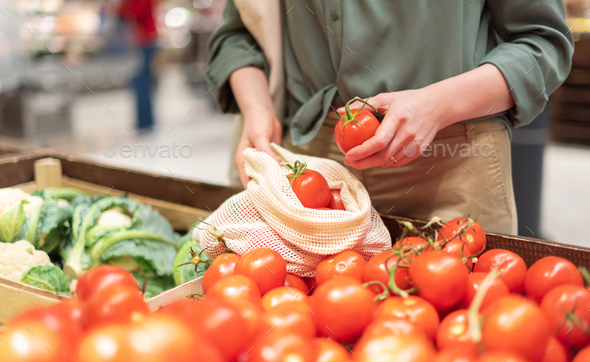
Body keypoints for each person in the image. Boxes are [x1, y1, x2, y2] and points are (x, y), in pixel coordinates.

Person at [205, 1, 574, 234]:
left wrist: (439, 104)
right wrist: (257, 108)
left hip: (450, 162)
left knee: (457, 334)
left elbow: (542, 43)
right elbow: (239, 35)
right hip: (310, 163)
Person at [116, 0, 158, 132]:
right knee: (140, 82)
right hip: (140, 41)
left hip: (144, 41)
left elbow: (134, 13)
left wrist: (120, 8)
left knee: (141, 82)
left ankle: (145, 123)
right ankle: (143, 122)